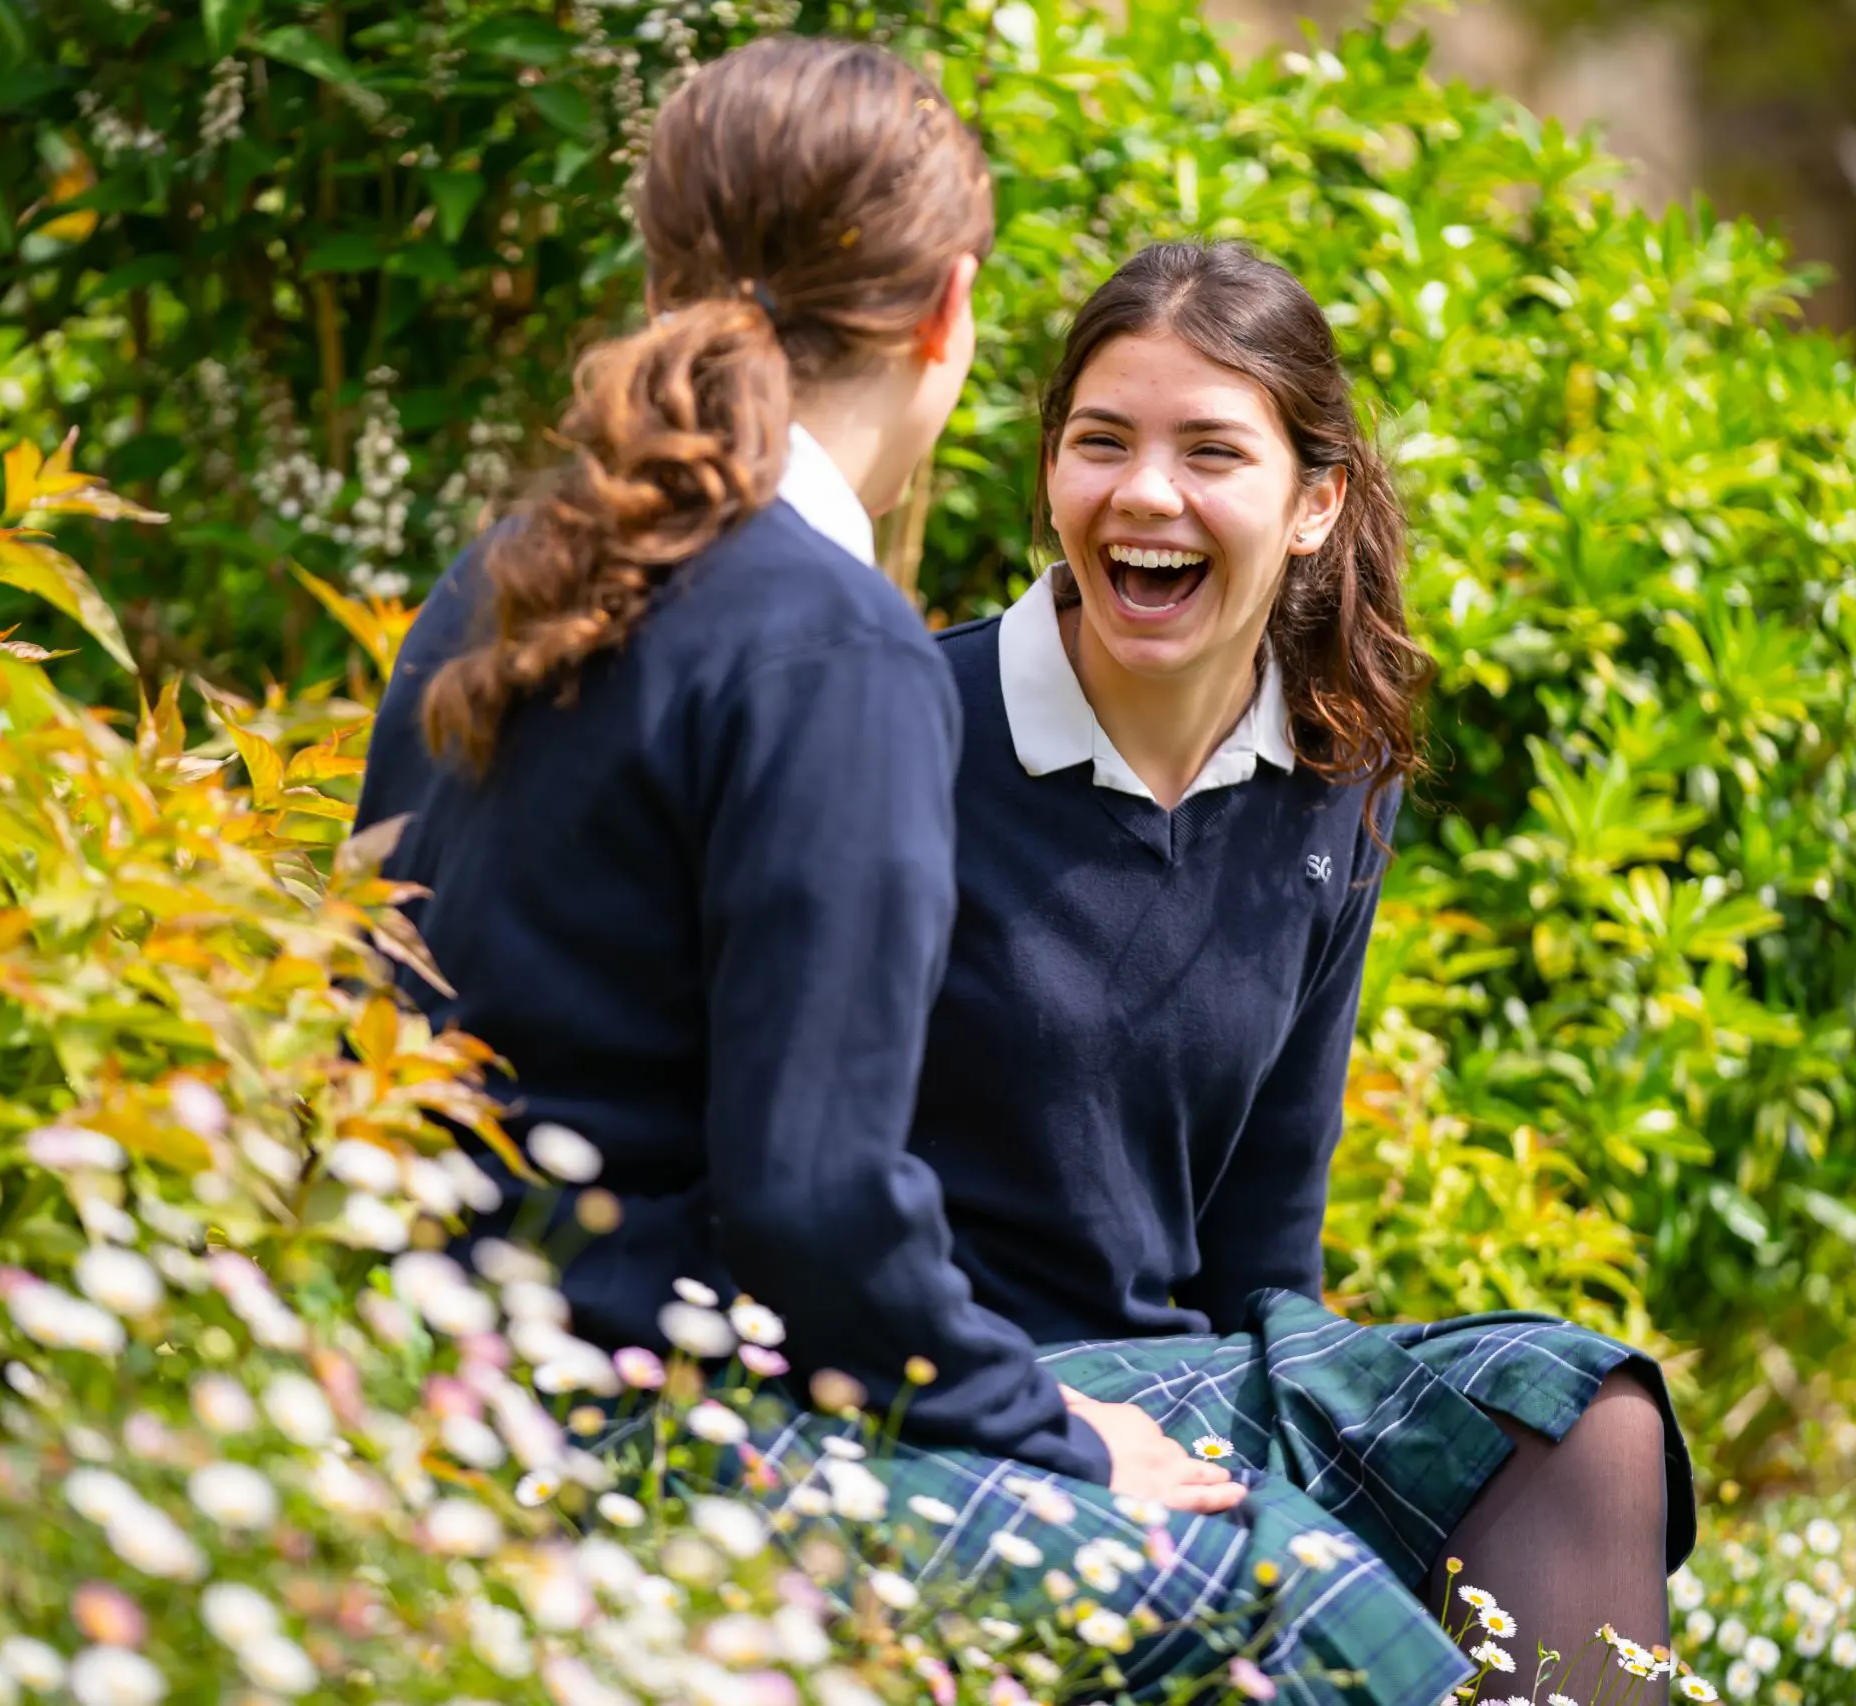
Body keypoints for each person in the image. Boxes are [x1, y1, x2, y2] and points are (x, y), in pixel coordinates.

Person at [349, 36, 1237, 1516]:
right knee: (1319, 1616)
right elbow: (813, 1199)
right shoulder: (840, 649)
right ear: (947, 311)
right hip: (653, 1433)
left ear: (658, 279)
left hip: (433, 1377)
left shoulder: (511, 571)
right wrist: (1056, 1428)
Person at [908, 241, 1699, 1702]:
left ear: (1315, 501)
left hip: (1188, 1374)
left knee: (1587, 1414)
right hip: (946, 1385)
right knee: (1311, 1589)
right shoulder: (904, 729)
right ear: (1053, 474)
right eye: (1102, 442)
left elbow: (1268, 1235)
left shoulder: (1336, 784)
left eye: (1212, 450)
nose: (1146, 493)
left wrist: (1294, 1447)